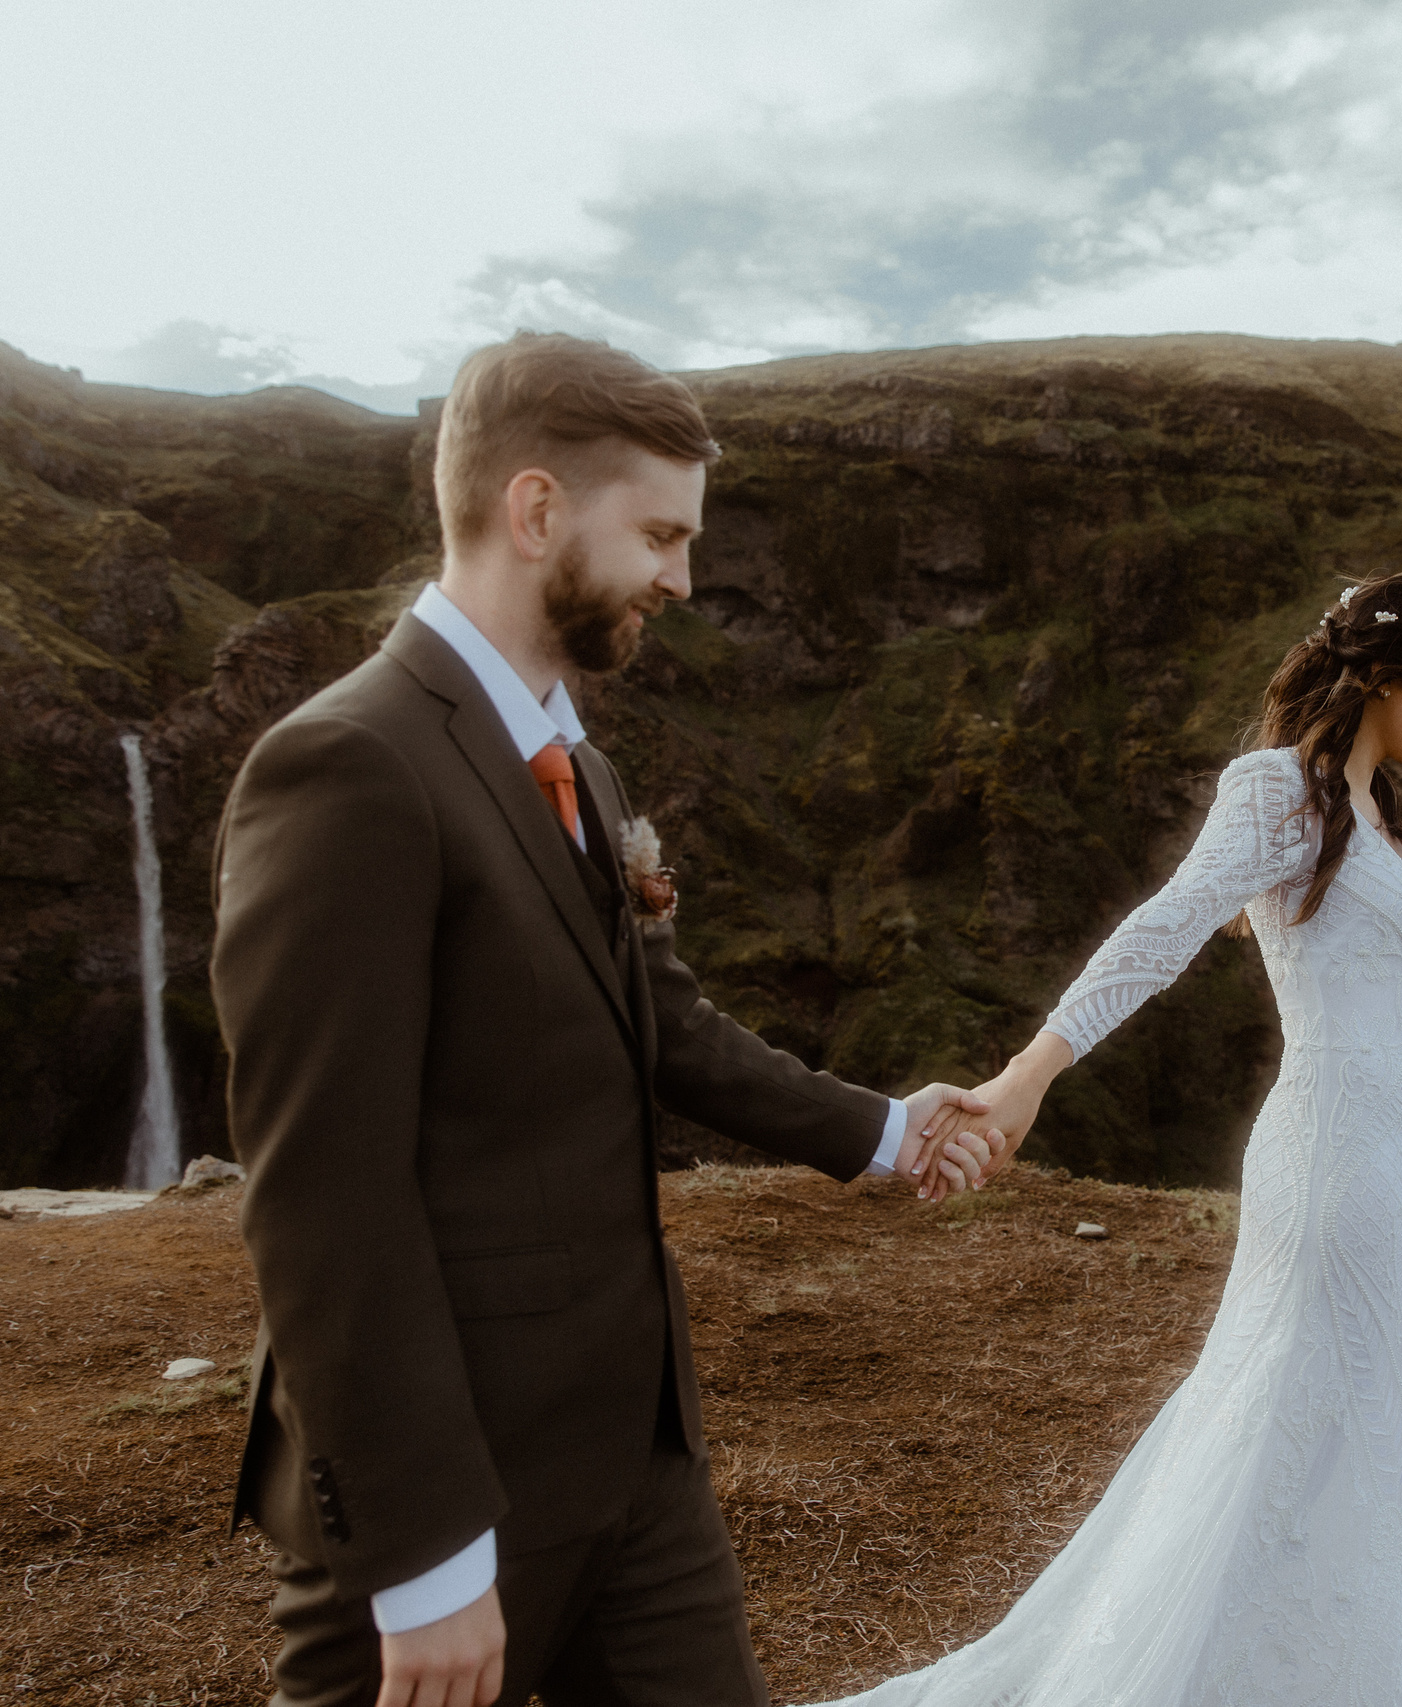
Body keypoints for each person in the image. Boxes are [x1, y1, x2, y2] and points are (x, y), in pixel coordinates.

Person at [211, 331, 1004, 1707]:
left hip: (635, 1453)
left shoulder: (574, 751)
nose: (684, 578)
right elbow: (323, 1192)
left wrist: (886, 1129)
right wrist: (426, 1553)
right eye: (658, 533)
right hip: (456, 1486)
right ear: (534, 512)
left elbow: (665, 1022)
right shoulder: (348, 764)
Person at [850, 573, 1402, 1705]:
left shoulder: (1382, 825)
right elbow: (1163, 928)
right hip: (1327, 1165)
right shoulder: (1280, 794)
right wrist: (1028, 1078)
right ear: (1380, 678)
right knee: (1287, 1411)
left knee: (1378, 1416)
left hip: (1397, 1176)